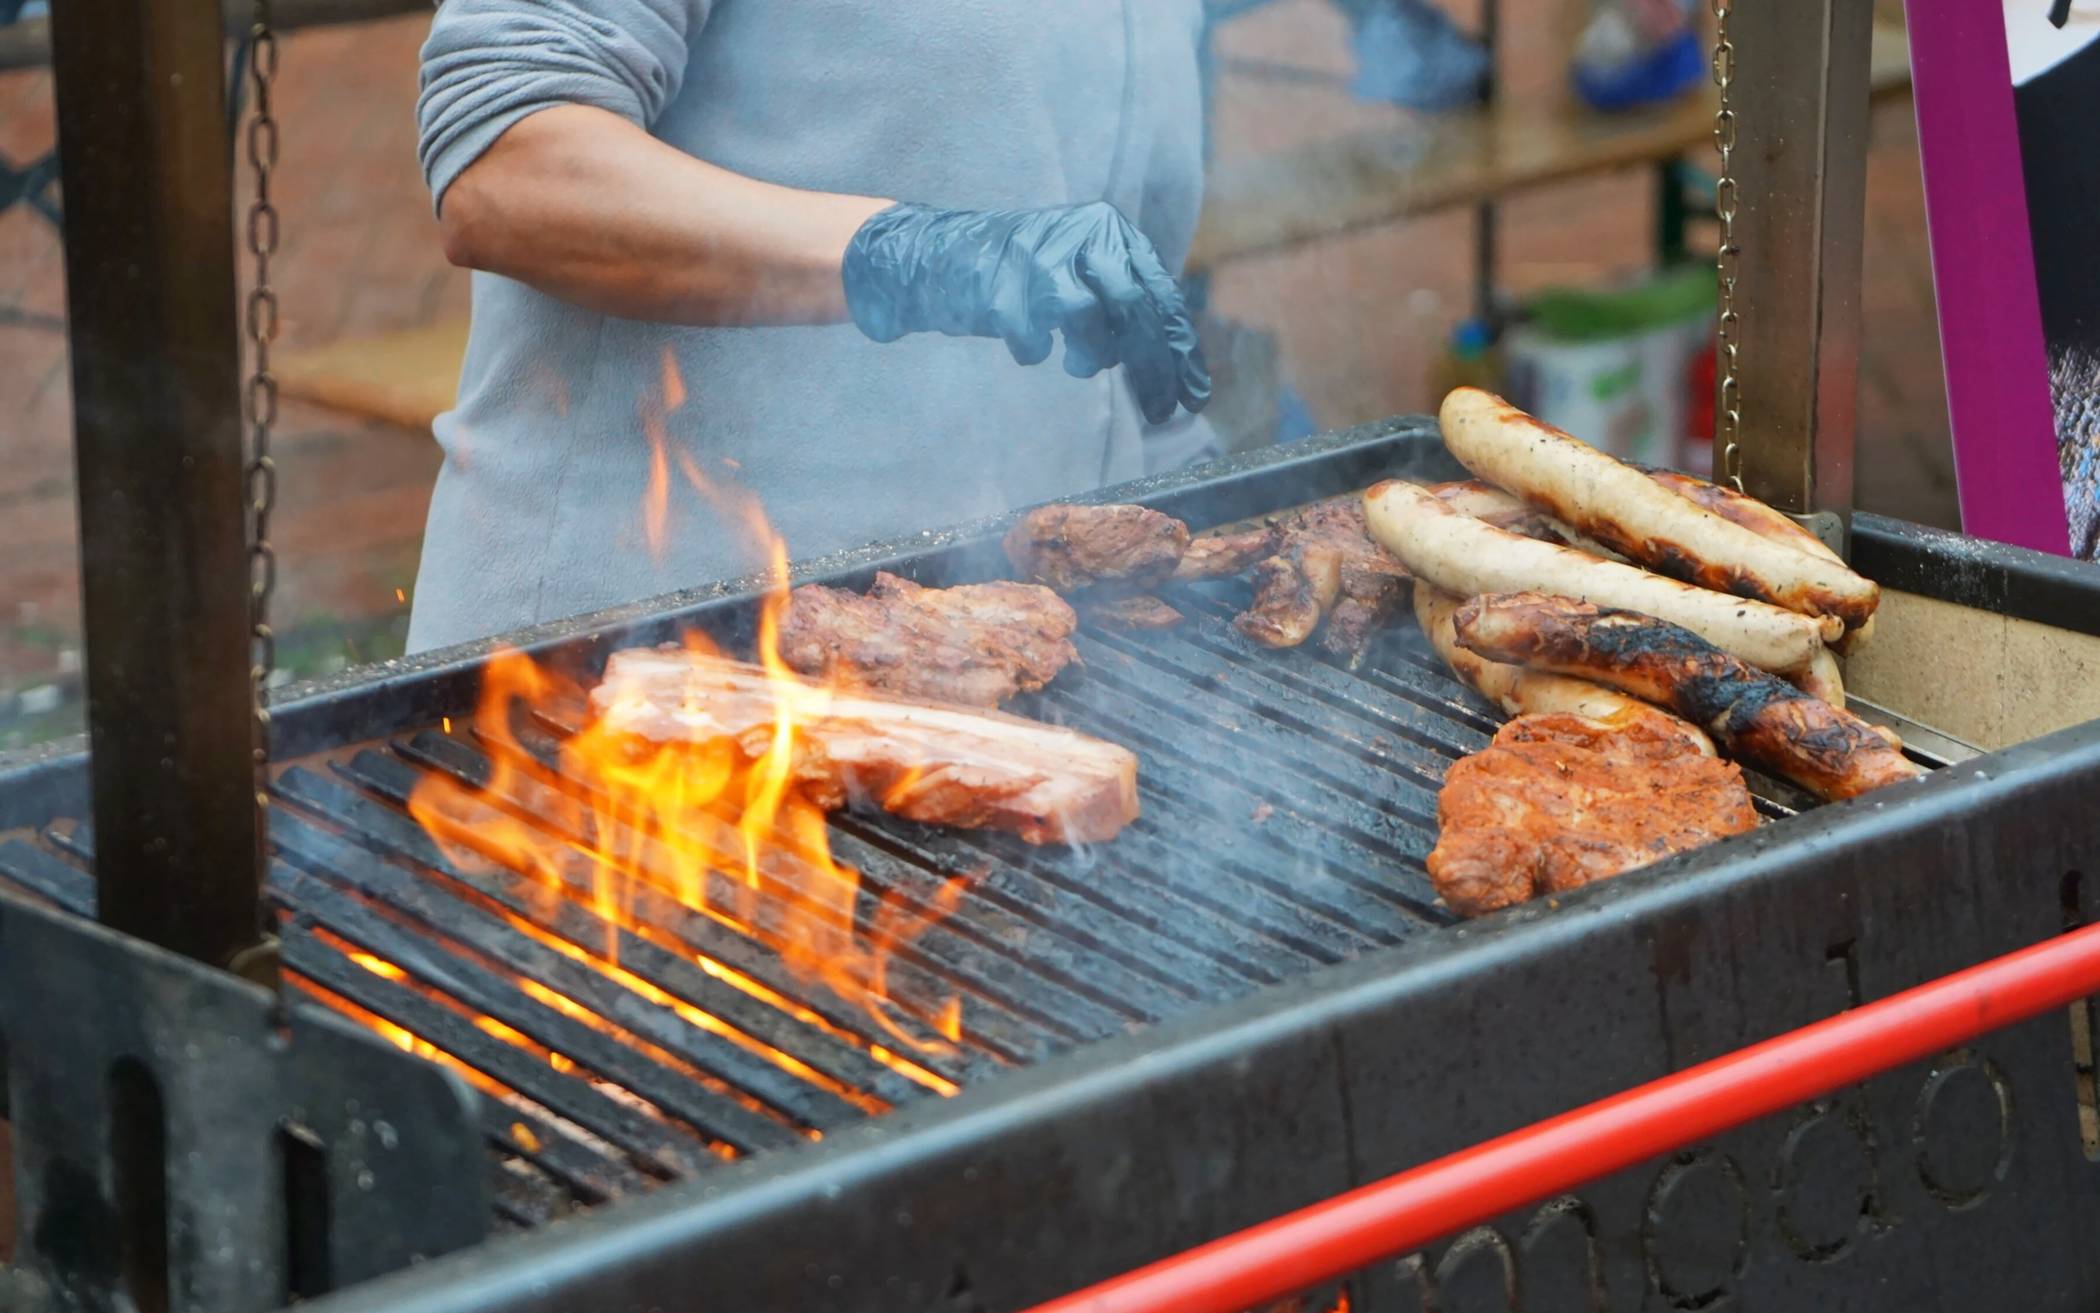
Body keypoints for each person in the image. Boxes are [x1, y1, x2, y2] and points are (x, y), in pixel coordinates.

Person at [409, 1, 1213, 653]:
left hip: (1006, 654)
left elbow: (1126, 304)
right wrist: (911, 258)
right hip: (637, 674)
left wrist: (1186, 503)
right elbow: (508, 170)